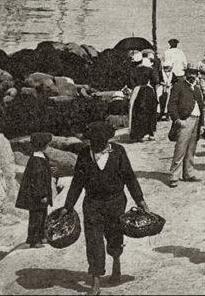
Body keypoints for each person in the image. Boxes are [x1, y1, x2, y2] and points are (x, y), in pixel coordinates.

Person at [64, 121, 147, 296]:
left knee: (115, 234)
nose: (96, 145)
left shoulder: (118, 152)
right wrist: (68, 206)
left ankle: (116, 264)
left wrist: (140, 200)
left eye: (99, 141)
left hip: (116, 202)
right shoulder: (84, 155)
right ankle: (95, 281)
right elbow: (77, 183)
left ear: (106, 140)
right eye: (93, 142)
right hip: (92, 203)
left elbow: (130, 177)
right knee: (93, 240)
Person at [166, 65, 205, 186]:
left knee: (191, 149)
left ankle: (188, 173)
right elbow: (171, 105)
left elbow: (201, 107)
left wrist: (202, 124)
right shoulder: (178, 86)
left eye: (195, 73)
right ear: (186, 73)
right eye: (190, 73)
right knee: (180, 149)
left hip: (197, 121)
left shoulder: (197, 89)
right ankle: (174, 176)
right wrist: (177, 120)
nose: (193, 75)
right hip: (185, 121)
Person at [15, 131, 54, 248]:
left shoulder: (41, 157)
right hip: (37, 195)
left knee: (43, 215)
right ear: (43, 145)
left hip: (41, 193)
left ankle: (42, 236)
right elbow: (37, 180)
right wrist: (41, 195)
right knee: (36, 217)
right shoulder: (36, 160)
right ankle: (34, 240)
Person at [128, 55, 158, 143]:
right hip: (148, 91)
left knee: (137, 111)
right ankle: (150, 133)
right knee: (151, 111)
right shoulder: (149, 69)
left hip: (137, 92)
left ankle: (139, 134)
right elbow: (155, 80)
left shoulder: (133, 71)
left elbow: (131, 83)